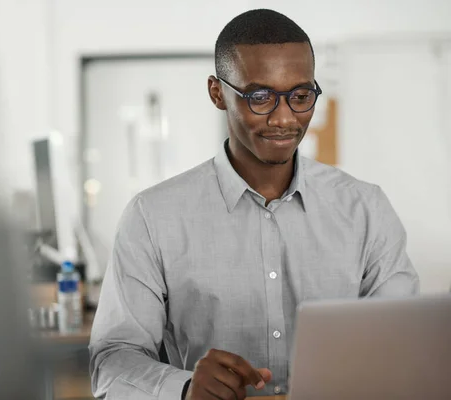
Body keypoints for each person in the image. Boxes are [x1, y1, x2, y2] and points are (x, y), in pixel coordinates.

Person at [89, 8, 419, 400]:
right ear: (217, 92)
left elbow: (405, 345)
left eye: (300, 96)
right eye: (260, 96)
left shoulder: (366, 209)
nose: (284, 118)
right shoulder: (152, 217)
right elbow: (112, 361)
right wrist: (185, 387)